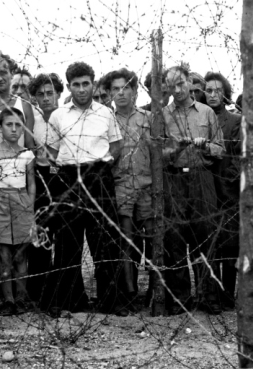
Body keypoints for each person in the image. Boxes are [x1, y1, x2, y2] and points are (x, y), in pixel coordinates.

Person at [45, 62, 126, 316]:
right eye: (76, 85)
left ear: (93, 84)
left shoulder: (105, 113)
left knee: (105, 241)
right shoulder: (58, 115)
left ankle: (111, 301)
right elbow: (51, 151)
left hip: (99, 177)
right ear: (69, 87)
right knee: (68, 241)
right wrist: (70, 168)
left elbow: (116, 146)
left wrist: (98, 165)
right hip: (69, 178)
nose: (81, 89)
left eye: (86, 84)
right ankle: (70, 300)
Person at [162, 65, 224, 315]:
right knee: (174, 239)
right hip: (174, 180)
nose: (176, 90)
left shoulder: (207, 112)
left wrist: (206, 146)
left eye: (180, 83)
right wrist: (175, 149)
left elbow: (221, 149)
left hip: (202, 179)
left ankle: (209, 298)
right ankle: (179, 300)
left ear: (189, 82)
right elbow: (159, 155)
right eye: (171, 86)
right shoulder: (163, 115)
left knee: (206, 237)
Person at [102, 68, 153, 309]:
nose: (120, 93)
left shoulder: (147, 118)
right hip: (121, 186)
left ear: (134, 90)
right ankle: (130, 292)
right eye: (115, 89)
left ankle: (155, 290)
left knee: (153, 240)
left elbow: (156, 152)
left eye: (125, 88)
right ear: (110, 93)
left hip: (147, 186)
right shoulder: (106, 119)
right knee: (127, 242)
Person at [0, 107, 36, 315]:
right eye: (9, 124)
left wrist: (29, 206)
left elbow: (31, 183)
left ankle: (21, 298)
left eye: (17, 125)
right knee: (4, 256)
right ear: (0, 127)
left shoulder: (27, 155)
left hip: (21, 201)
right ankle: (8, 300)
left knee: (21, 255)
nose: (13, 129)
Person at [25, 72, 64, 306]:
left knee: (62, 238)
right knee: (40, 235)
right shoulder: (33, 121)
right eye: (41, 94)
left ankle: (59, 293)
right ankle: (37, 292)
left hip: (63, 179)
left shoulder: (67, 117)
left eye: (50, 93)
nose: (46, 98)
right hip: (39, 179)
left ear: (59, 94)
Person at [203, 71, 241, 310]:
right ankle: (211, 296)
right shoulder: (199, 118)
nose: (213, 95)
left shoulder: (235, 122)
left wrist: (227, 182)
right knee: (209, 246)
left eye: (218, 91)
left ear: (226, 95)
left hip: (228, 191)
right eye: (209, 90)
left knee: (229, 245)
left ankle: (228, 295)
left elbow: (239, 158)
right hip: (204, 190)